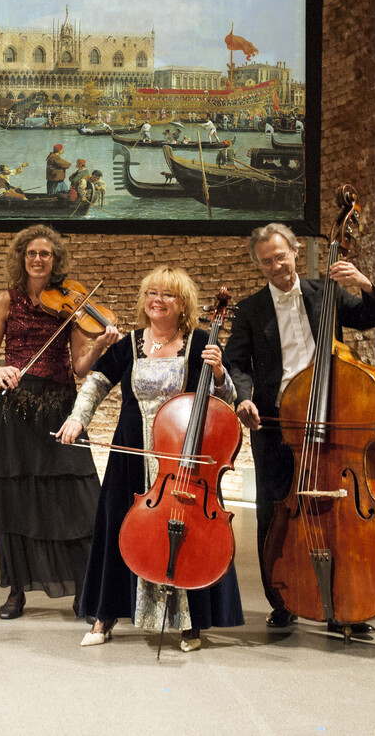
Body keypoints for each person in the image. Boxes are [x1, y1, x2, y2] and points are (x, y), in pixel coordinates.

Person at [56, 265, 245, 652]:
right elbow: (95, 382)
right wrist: (77, 419)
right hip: (132, 454)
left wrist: (221, 374)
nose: (157, 301)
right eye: (151, 293)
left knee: (189, 531)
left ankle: (191, 622)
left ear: (183, 304)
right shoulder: (129, 343)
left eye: (167, 295)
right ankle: (105, 615)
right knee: (116, 528)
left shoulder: (202, 342)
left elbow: (225, 399)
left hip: (185, 459)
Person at [222, 223, 375, 636]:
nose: (275, 265)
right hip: (276, 422)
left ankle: (341, 605)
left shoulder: (327, 293)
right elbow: (235, 363)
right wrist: (242, 397)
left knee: (335, 512)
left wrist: (364, 283)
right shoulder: (249, 309)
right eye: (266, 261)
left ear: (296, 251)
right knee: (275, 510)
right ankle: (283, 600)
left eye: (281, 256)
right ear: (258, 265)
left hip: (328, 418)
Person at [0, 225, 121, 620]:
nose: (38, 260)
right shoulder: (5, 301)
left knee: (78, 501)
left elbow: (78, 367)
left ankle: (83, 588)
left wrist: (100, 344)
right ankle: (16, 591)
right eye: (31, 253)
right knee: (16, 501)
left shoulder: (72, 307)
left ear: (55, 260)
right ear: (22, 258)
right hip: (16, 409)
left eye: (45, 254)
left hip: (60, 406)